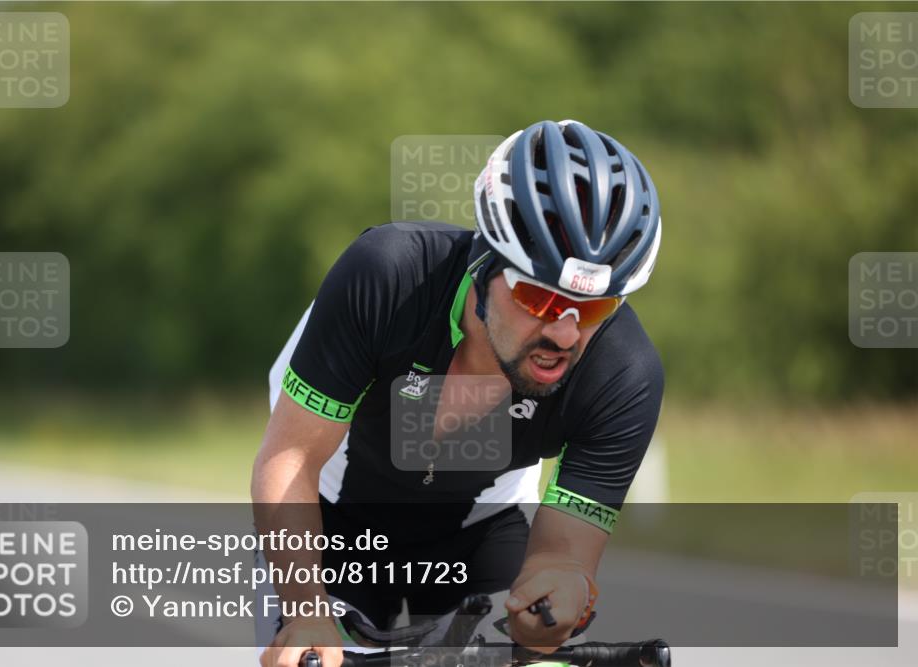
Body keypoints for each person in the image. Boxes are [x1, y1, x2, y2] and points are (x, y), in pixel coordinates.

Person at [252, 119, 664, 667]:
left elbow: (564, 557)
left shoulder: (624, 375)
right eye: (539, 299)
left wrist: (554, 599)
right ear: (485, 265)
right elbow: (291, 458)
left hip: (481, 524)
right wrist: (306, 610)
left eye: (593, 309)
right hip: (334, 514)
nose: (564, 334)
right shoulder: (387, 279)